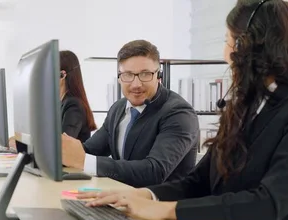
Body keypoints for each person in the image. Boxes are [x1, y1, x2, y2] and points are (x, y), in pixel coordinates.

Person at [78, 1, 288, 220]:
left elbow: (269, 203)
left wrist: (164, 209)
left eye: (228, 40)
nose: (226, 52)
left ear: (245, 47)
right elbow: (199, 181)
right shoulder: (245, 108)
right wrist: (143, 195)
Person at [61, 40, 199, 188]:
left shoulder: (179, 114)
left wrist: (82, 160)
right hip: (122, 199)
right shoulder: (118, 108)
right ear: (119, 77)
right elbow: (90, 150)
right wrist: (59, 151)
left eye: (145, 74)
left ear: (159, 76)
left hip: (160, 206)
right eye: (128, 75)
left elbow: (154, 172)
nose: (136, 84)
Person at [59, 50, 97, 143]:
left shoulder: (73, 105)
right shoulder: (62, 102)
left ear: (62, 75)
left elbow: (64, 142)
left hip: (71, 157)